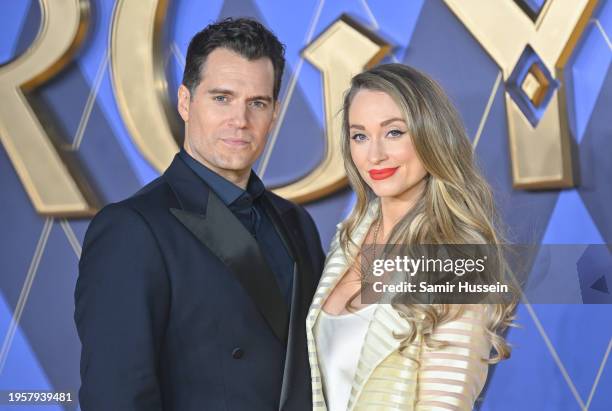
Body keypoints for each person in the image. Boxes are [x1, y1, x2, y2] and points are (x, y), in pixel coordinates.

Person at [75, 18, 325, 411]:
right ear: (185, 102)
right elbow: (116, 396)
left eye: (256, 103)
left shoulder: (298, 224)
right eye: (221, 98)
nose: (239, 121)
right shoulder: (132, 229)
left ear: (274, 113)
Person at [306, 64, 516, 410]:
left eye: (394, 133)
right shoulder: (349, 238)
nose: (375, 155)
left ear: (430, 135)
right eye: (359, 135)